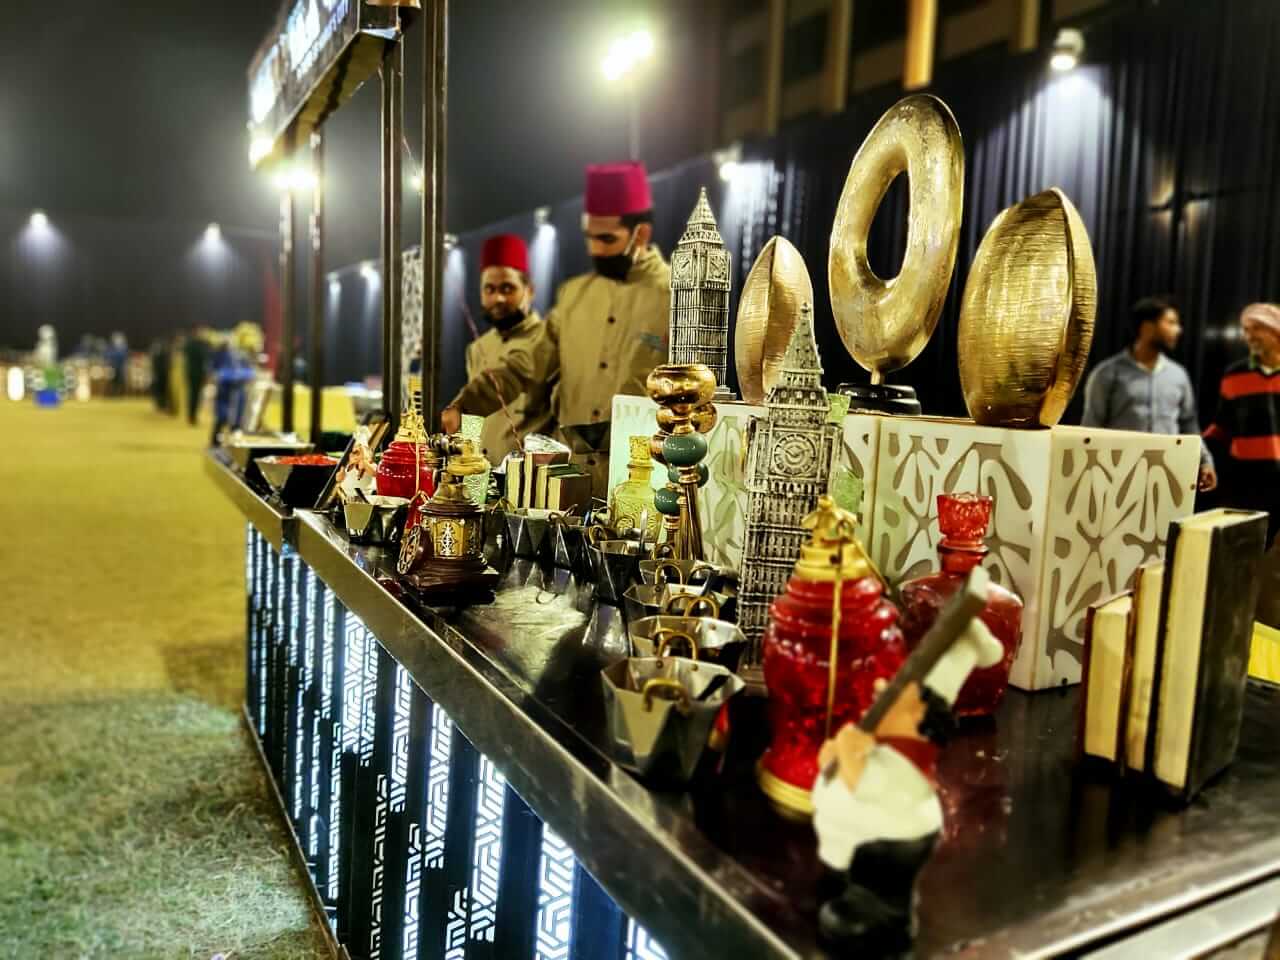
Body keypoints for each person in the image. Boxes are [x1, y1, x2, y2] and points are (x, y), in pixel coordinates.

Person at [442, 161, 671, 494]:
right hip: (569, 480)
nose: (596, 250)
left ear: (642, 234)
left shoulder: (675, 296)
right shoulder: (574, 296)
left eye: (607, 239)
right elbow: (527, 363)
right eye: (590, 238)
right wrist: (467, 404)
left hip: (642, 480)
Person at [811, 616, 1003, 953]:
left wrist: (849, 755)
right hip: (860, 851)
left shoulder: (905, 770)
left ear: (916, 720)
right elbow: (836, 766)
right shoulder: (883, 747)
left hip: (892, 847)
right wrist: (837, 754)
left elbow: (866, 786)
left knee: (884, 889)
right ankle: (850, 886)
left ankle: (887, 916)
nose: (880, 692)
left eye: (894, 698)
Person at [1082, 297, 1216, 491]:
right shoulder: (1107, 373)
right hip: (1118, 478)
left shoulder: (1178, 375)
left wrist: (1205, 461)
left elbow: (1189, 424)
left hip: (1168, 477)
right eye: (1171, 323)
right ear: (1147, 327)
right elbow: (1091, 427)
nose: (1178, 330)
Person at [447, 233, 553, 466]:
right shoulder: (478, 348)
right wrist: (467, 471)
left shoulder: (548, 340)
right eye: (490, 289)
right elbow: (473, 421)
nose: (499, 298)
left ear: (529, 290)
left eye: (508, 288)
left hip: (527, 478)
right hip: (479, 473)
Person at [1203, 302, 1280, 545]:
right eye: (1245, 329)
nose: (1249, 336)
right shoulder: (1234, 375)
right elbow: (1221, 426)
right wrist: (1199, 450)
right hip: (1245, 483)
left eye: (1257, 327)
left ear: (1276, 329)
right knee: (1244, 550)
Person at [183, 327, 210, 425]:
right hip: (195, 373)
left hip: (194, 373)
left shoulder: (190, 344)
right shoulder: (197, 345)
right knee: (194, 395)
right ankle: (192, 416)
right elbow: (204, 357)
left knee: (195, 395)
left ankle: (192, 415)